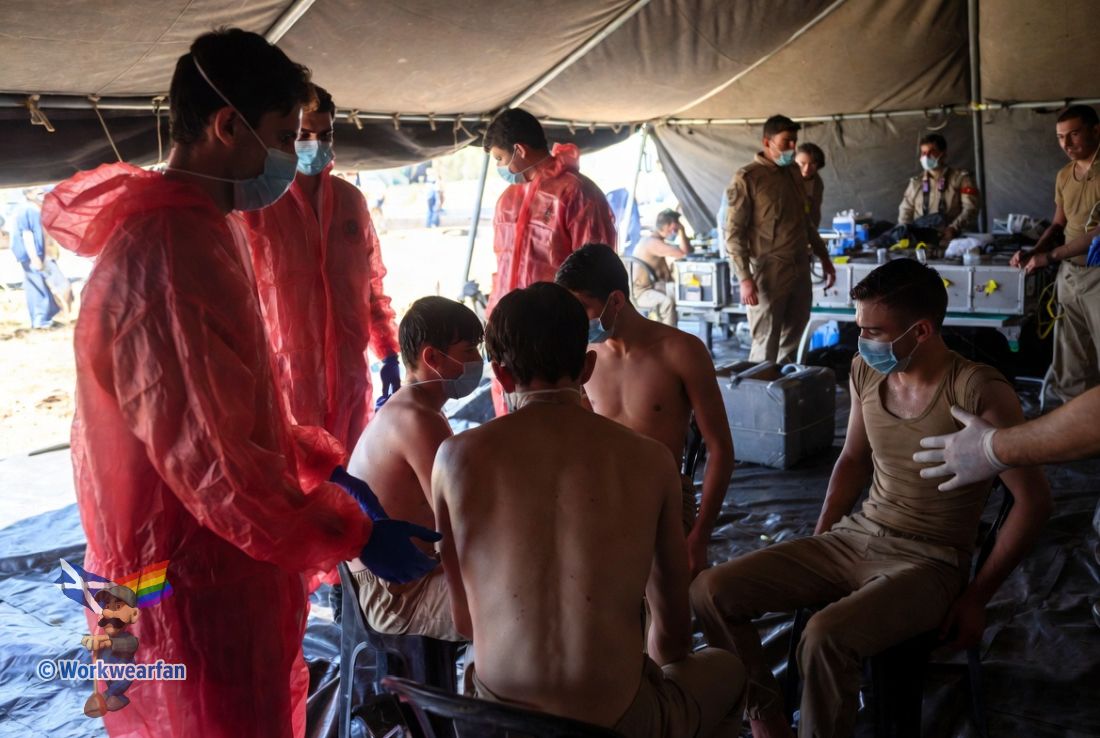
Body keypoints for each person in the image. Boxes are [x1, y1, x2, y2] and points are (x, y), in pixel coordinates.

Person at [41, 29, 437, 738]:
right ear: (228, 126)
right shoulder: (170, 255)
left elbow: (230, 407)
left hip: (198, 564)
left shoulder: (201, 230)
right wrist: (347, 531)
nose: (291, 155)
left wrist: (324, 469)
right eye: (284, 136)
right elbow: (218, 470)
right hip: (190, 580)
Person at [690, 259, 1051, 738]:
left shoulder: (976, 389)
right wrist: (820, 540)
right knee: (710, 590)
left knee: (824, 636)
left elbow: (1033, 502)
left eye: (873, 331)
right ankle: (767, 722)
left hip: (930, 561)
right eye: (859, 327)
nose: (860, 340)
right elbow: (853, 461)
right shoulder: (866, 371)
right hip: (856, 537)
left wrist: (977, 598)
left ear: (921, 331)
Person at [431, 282, 744, 736]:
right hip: (616, 724)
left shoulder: (453, 459)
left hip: (498, 724)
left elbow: (464, 623)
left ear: (500, 376)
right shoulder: (651, 460)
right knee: (727, 671)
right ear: (588, 366)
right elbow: (674, 637)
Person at [556, 244, 735, 577]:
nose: (574, 321)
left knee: (663, 602)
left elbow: (721, 448)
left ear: (616, 301)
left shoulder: (680, 351)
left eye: (582, 308)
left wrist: (700, 536)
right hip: (603, 496)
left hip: (665, 497)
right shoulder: (579, 356)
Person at [244, 83, 401, 454]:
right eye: (304, 135)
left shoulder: (350, 201)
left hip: (349, 373)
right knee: (299, 473)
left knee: (350, 468)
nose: (315, 145)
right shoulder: (257, 206)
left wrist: (388, 350)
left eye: (325, 134)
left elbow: (371, 285)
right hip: (287, 378)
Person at [346, 296, 484, 641]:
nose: (478, 361)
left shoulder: (419, 409)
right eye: (469, 350)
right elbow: (459, 520)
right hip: (396, 592)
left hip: (411, 573)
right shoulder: (417, 420)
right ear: (432, 358)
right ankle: (484, 672)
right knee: (515, 602)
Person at [483, 107, 617, 414]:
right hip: (511, 329)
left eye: (500, 159)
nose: (500, 167)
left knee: (560, 415)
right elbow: (501, 267)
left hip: (556, 329)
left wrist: (587, 327)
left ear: (519, 150)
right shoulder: (507, 200)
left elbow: (595, 268)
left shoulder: (577, 193)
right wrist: (493, 320)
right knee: (513, 417)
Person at [725, 114, 836, 363]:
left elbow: (805, 222)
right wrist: (744, 278)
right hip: (768, 269)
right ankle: (760, 387)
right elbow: (733, 233)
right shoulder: (748, 178)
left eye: (795, 141)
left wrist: (824, 257)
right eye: (787, 141)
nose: (793, 147)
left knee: (794, 336)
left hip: (799, 265)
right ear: (767, 142)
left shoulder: (793, 173)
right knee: (766, 339)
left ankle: (784, 385)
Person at [1012, 105, 1100, 401]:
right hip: (1070, 275)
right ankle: (1076, 420)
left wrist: (1050, 257)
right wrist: (1034, 251)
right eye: (1061, 137)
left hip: (1098, 276)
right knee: (1071, 358)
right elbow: (1058, 223)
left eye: (1074, 135)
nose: (1066, 144)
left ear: (1096, 130)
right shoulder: (1064, 175)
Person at [897, 133, 980, 242]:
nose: (926, 157)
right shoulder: (916, 183)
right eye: (924, 153)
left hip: (951, 239)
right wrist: (903, 232)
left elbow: (970, 208)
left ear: (943, 154)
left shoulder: (961, 178)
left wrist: (954, 228)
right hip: (921, 240)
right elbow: (905, 210)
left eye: (932, 152)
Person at [628, 209, 692, 326]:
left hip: (653, 287)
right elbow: (684, 254)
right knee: (667, 302)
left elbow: (688, 251)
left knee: (682, 291)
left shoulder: (653, 240)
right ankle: (668, 334)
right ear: (668, 226)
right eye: (675, 227)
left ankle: (672, 328)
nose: (675, 230)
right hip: (641, 293)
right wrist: (682, 231)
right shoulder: (652, 243)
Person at [8, 188, 60, 328]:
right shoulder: (28, 210)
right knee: (37, 285)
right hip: (31, 254)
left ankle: (46, 317)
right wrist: (34, 257)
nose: (42, 196)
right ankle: (41, 321)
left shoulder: (26, 209)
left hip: (33, 254)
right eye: (39, 193)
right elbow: (27, 235)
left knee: (39, 283)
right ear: (29, 194)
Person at [794, 143, 826, 229]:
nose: (806, 169)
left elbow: (815, 211)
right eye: (802, 163)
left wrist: (813, 231)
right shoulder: (783, 178)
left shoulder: (817, 183)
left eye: (812, 164)